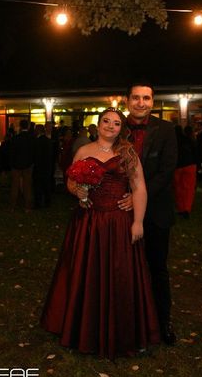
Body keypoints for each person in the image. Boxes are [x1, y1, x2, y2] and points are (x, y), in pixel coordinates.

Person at [41, 108, 160, 358]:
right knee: (87, 272)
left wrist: (138, 221)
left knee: (121, 274)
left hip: (119, 222)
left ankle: (124, 332)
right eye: (106, 121)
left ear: (121, 128)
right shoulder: (83, 151)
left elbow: (139, 189)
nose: (110, 126)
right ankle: (84, 329)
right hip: (89, 222)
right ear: (98, 124)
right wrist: (78, 193)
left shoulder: (128, 153)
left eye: (116, 123)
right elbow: (72, 181)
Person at [117, 82, 178, 345]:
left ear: (153, 101)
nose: (141, 102)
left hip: (156, 211)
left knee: (157, 268)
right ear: (127, 100)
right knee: (123, 269)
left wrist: (138, 196)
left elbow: (166, 171)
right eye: (135, 97)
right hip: (120, 210)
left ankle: (163, 323)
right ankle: (127, 322)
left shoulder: (166, 130)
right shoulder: (116, 127)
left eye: (146, 98)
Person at [9, 119, 35, 211]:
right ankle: (27, 207)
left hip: (16, 165)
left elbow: (11, 152)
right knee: (27, 186)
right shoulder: (32, 138)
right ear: (28, 126)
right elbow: (33, 152)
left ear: (20, 126)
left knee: (15, 186)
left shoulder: (16, 138)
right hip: (27, 165)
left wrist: (12, 163)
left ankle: (12, 206)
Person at [173, 125, 197, 218]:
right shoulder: (188, 140)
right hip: (190, 165)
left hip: (178, 166)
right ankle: (186, 208)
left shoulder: (173, 142)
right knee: (188, 188)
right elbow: (195, 151)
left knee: (178, 188)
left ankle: (180, 208)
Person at [32, 124, 53, 208]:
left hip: (39, 167)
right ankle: (47, 202)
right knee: (46, 185)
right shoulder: (48, 141)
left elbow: (36, 155)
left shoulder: (37, 141)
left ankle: (38, 203)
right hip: (47, 166)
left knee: (38, 186)